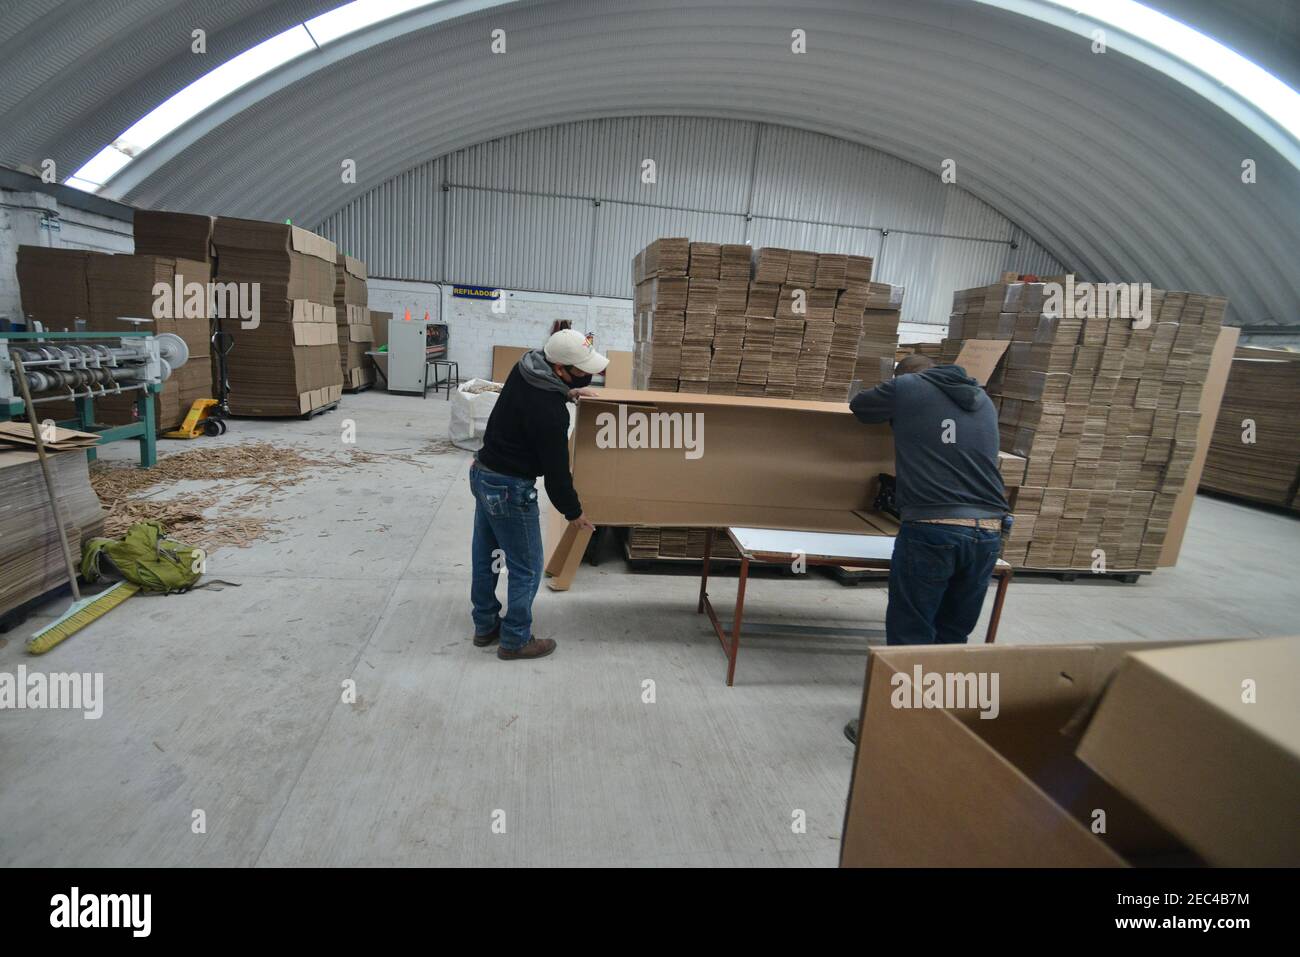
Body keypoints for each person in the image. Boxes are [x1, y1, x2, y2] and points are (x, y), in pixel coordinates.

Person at [842, 354, 1009, 744]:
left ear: (904, 376)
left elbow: (860, 407)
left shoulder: (907, 388)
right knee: (952, 632)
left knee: (910, 630)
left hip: (934, 528)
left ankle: (892, 724)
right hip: (987, 530)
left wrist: (898, 409)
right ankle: (936, 722)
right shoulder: (981, 399)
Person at [469, 329, 607, 660]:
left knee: (486, 558)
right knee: (527, 567)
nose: (589, 374)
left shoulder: (527, 365)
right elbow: (557, 477)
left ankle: (485, 624)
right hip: (510, 488)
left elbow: (536, 396)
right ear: (560, 369)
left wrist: (568, 393)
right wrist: (574, 513)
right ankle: (516, 640)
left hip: (483, 473)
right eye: (581, 369)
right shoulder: (551, 415)